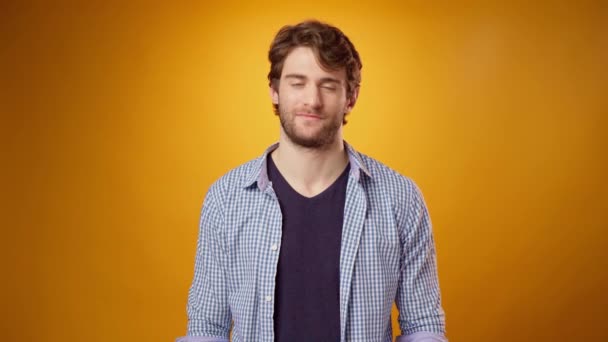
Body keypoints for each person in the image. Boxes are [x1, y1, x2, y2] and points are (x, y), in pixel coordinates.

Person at [177, 19, 447, 342]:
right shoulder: (226, 199)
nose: (312, 100)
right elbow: (207, 330)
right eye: (297, 83)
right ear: (274, 91)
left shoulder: (400, 199)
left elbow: (423, 327)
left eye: (328, 85)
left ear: (351, 97)